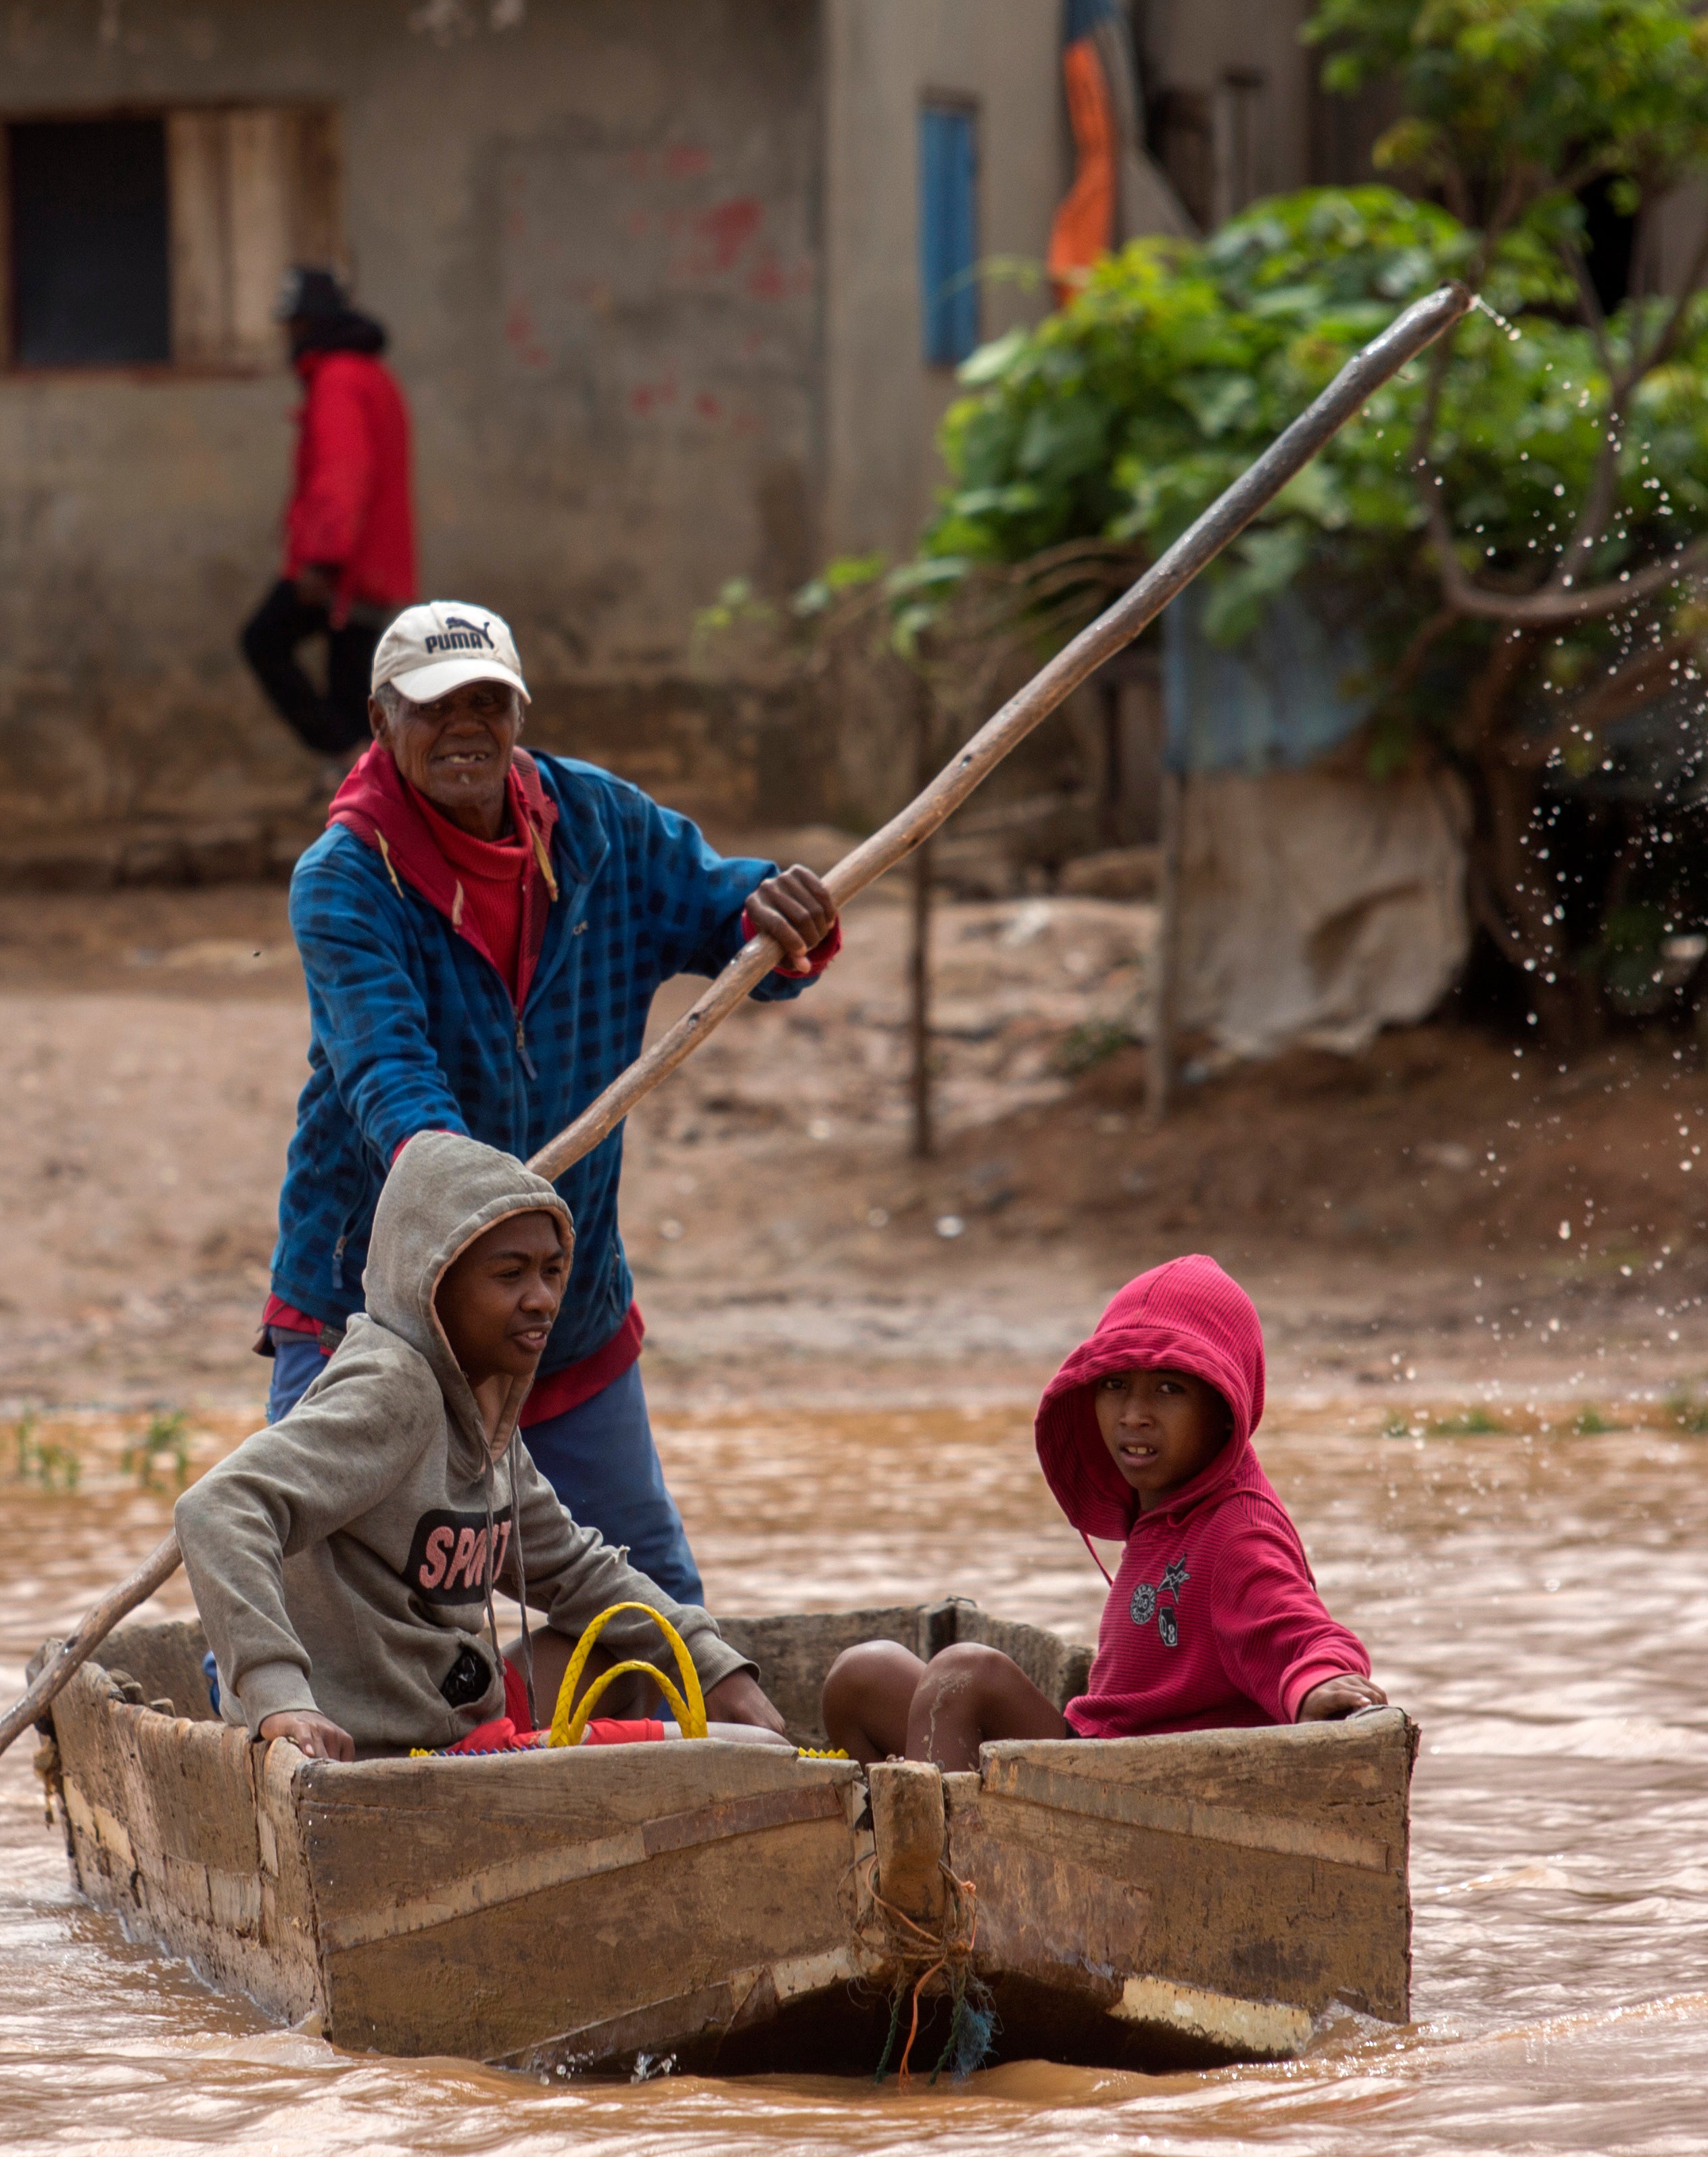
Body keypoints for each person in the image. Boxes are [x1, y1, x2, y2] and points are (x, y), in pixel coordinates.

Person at [264, 600, 840, 1607]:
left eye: (488, 702)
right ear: (380, 721)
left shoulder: (602, 831)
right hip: (371, 1316)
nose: (465, 729)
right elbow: (390, 1084)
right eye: (434, 708)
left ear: (519, 714)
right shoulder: (348, 880)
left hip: (558, 1313)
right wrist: (473, 1212)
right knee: (305, 1601)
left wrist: (780, 913)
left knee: (653, 1609)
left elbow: (732, 924)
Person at [178, 1131, 792, 1759]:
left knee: (627, 1648)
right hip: (385, 1751)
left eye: (553, 1271)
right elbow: (219, 1509)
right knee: (740, 1750)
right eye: (510, 1275)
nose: (542, 1300)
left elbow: (574, 1569)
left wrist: (710, 1661)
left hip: (456, 1712)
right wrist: (278, 1693)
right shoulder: (394, 1389)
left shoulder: (484, 1403)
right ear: (433, 1285)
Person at [822, 1255, 1401, 1766]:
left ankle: (950, 1877)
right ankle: (905, 1844)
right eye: (1116, 1384)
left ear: (1226, 1411)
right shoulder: (1163, 1506)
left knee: (963, 1675)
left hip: (1143, 1796)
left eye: (1170, 1389)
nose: (1134, 1414)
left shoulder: (1236, 1533)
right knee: (862, 1675)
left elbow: (1306, 1637)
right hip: (1091, 1757)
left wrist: (1314, 1686)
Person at [237, 266, 415, 757]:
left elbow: (344, 473)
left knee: (264, 642)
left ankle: (348, 767)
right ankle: (359, 778)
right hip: (368, 562)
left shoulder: (338, 380)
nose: (287, 336)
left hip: (345, 566)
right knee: (349, 687)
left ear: (310, 322)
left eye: (293, 323)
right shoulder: (368, 376)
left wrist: (322, 561)